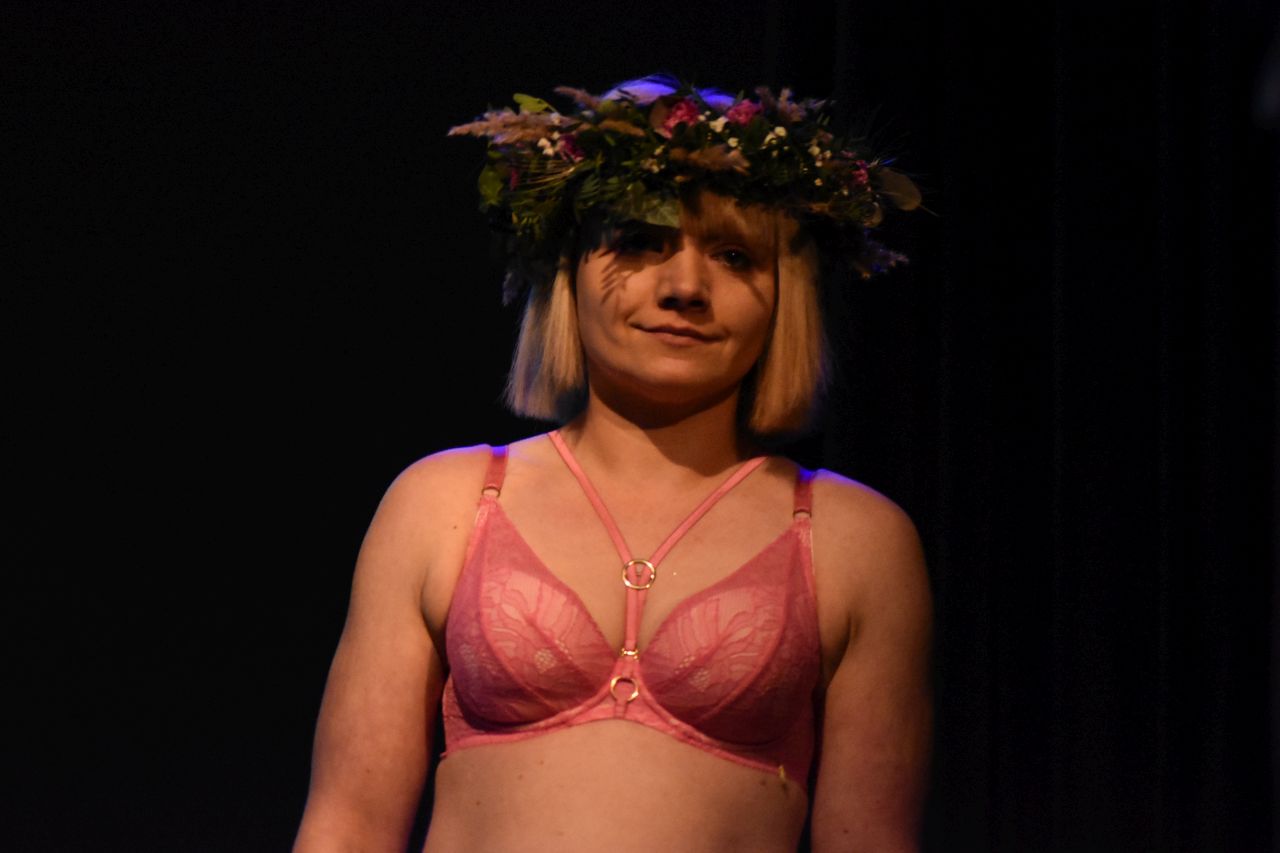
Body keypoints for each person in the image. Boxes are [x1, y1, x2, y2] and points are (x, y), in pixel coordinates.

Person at [293, 75, 932, 853]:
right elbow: (348, 825)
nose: (686, 287)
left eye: (734, 255)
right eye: (639, 241)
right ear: (569, 269)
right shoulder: (443, 502)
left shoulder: (853, 538)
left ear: (784, 294)